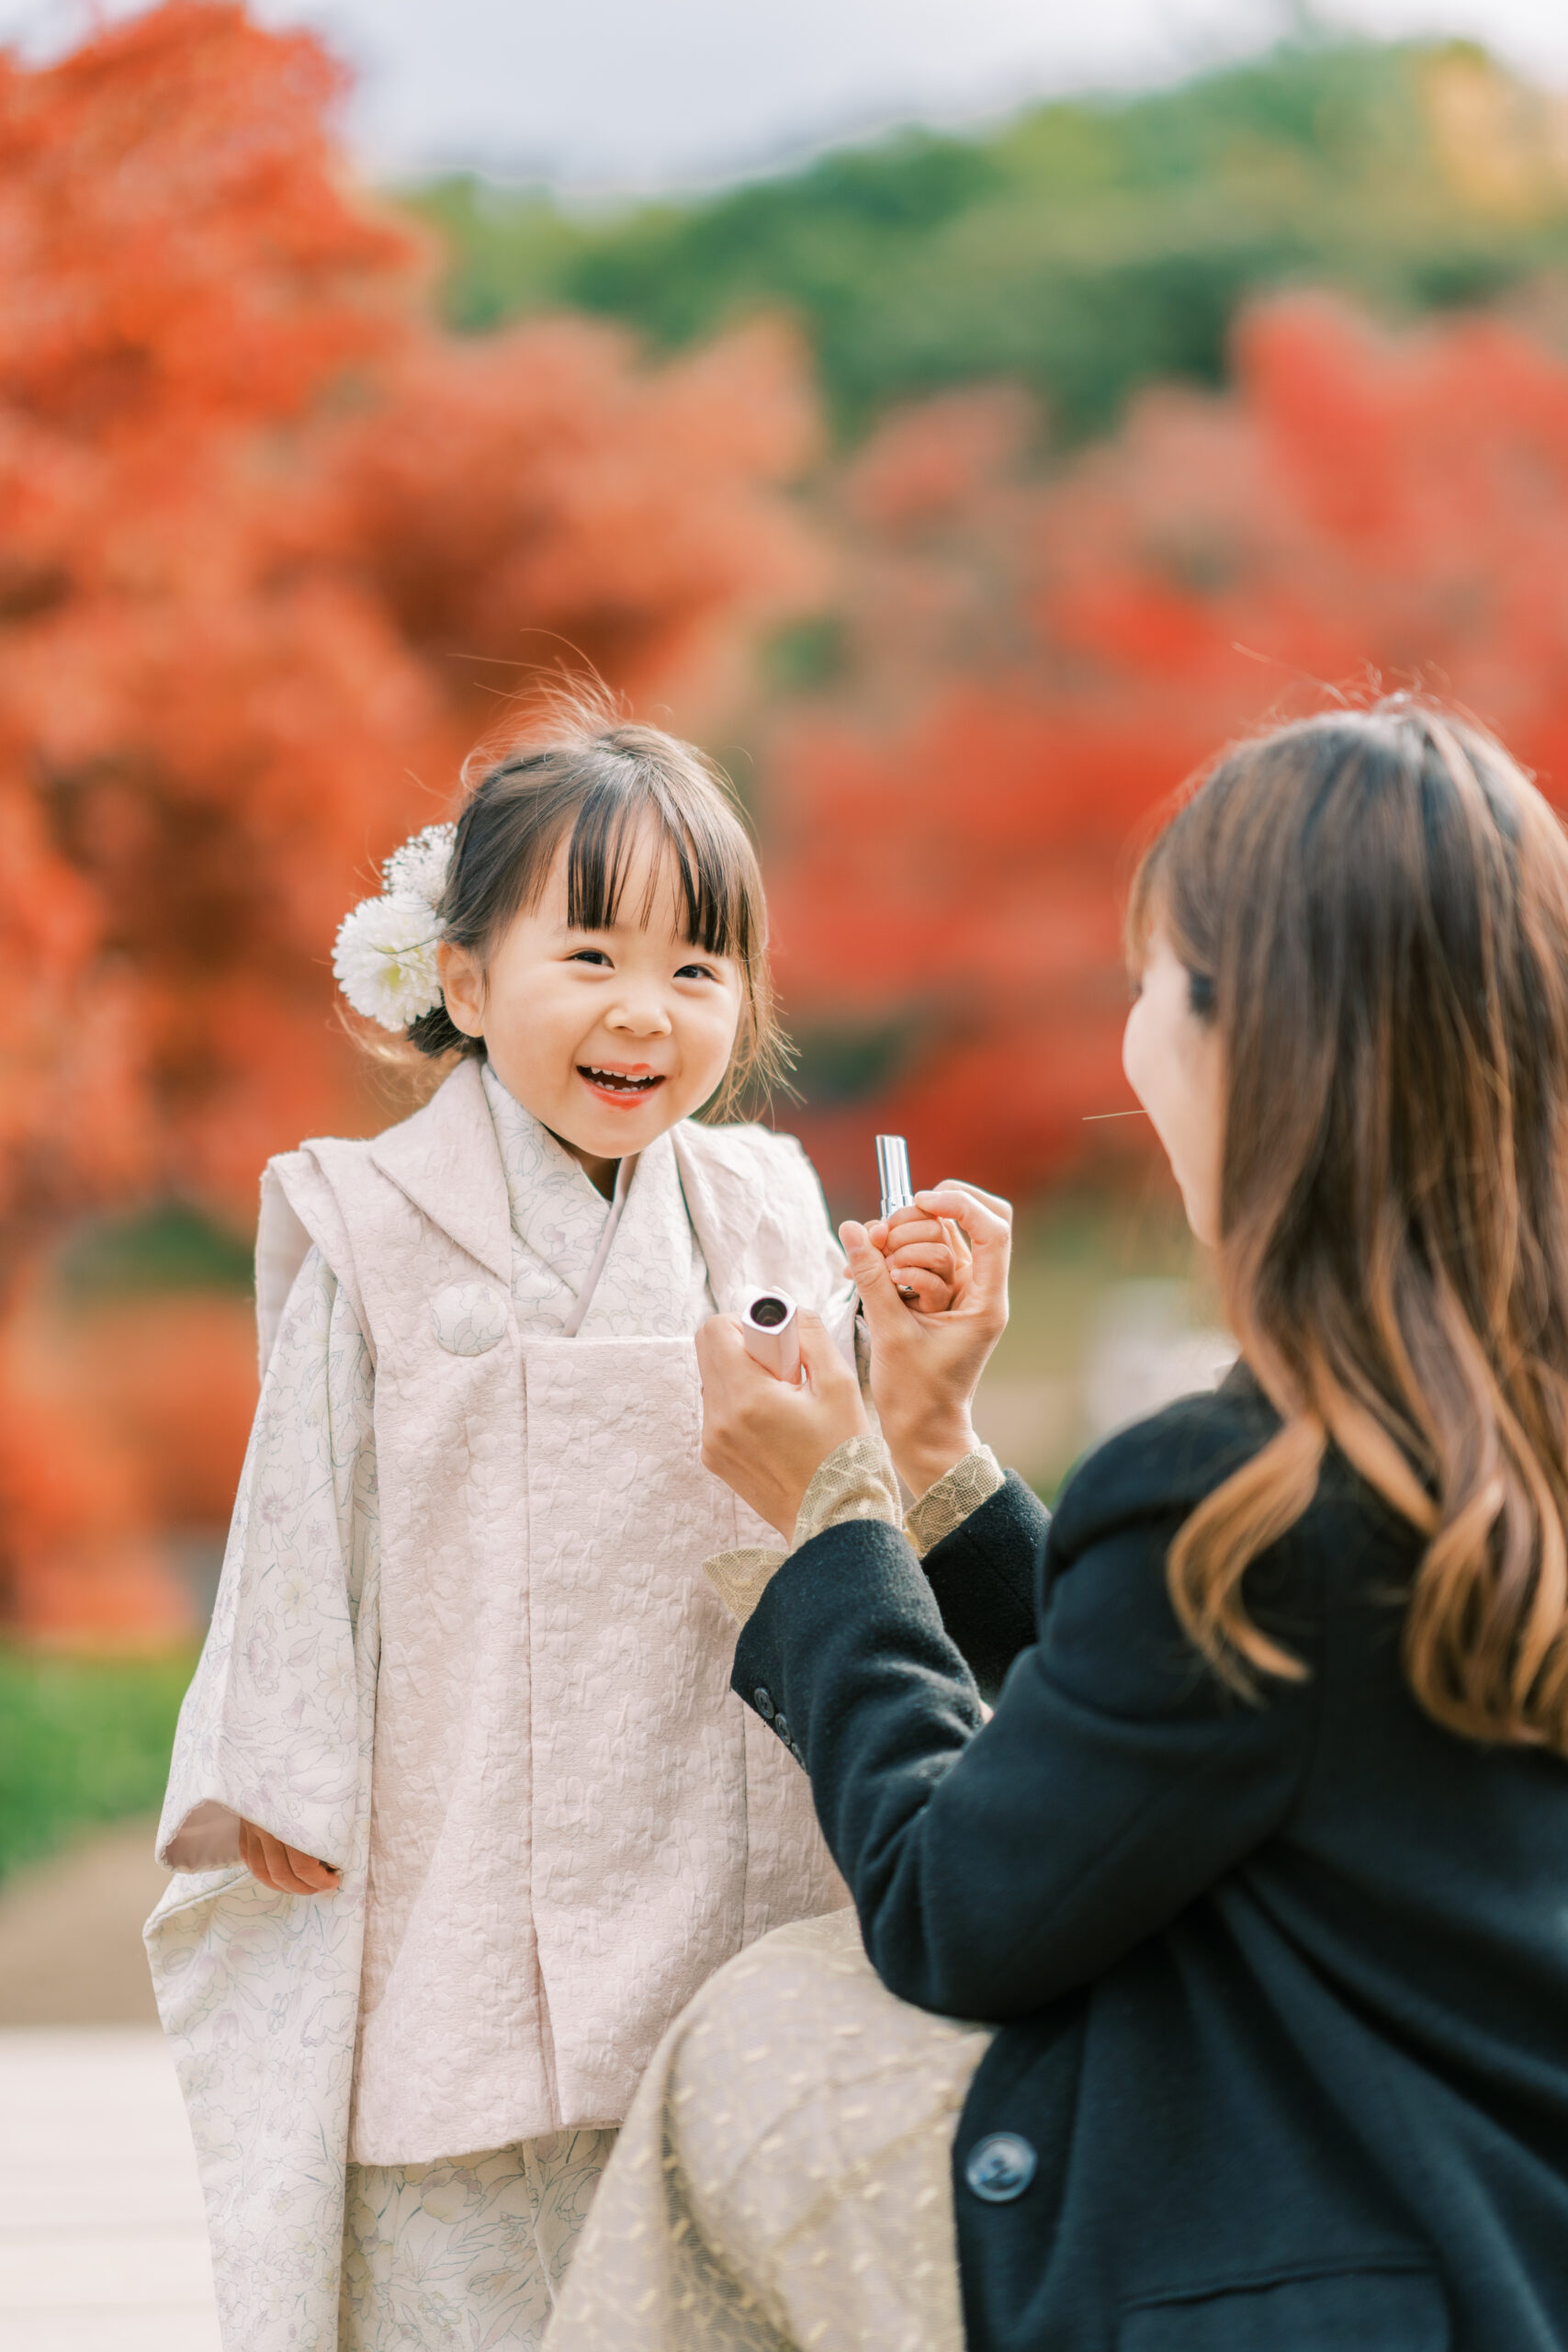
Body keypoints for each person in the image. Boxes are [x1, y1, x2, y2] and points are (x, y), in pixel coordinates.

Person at [544, 696, 1568, 2352]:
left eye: (1151, 977)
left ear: (1250, 1033)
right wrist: (936, 1453)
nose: (1133, 1027)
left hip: (1337, 2266)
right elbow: (1184, 1727)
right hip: (1507, 2224)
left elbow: (962, 1909)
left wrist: (833, 1513)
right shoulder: (1470, 1427)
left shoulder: (1256, 1483)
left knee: (761, 2037)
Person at [144, 697, 956, 2352]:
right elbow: (300, 1514)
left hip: (712, 1802)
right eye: (590, 956)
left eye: (696, 969)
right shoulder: (370, 1221)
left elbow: (859, 1482)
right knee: (471, 2243)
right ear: (463, 981)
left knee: (725, 2206)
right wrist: (273, 1767)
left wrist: (916, 1364)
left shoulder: (767, 1205)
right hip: (465, 1821)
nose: (644, 1014)